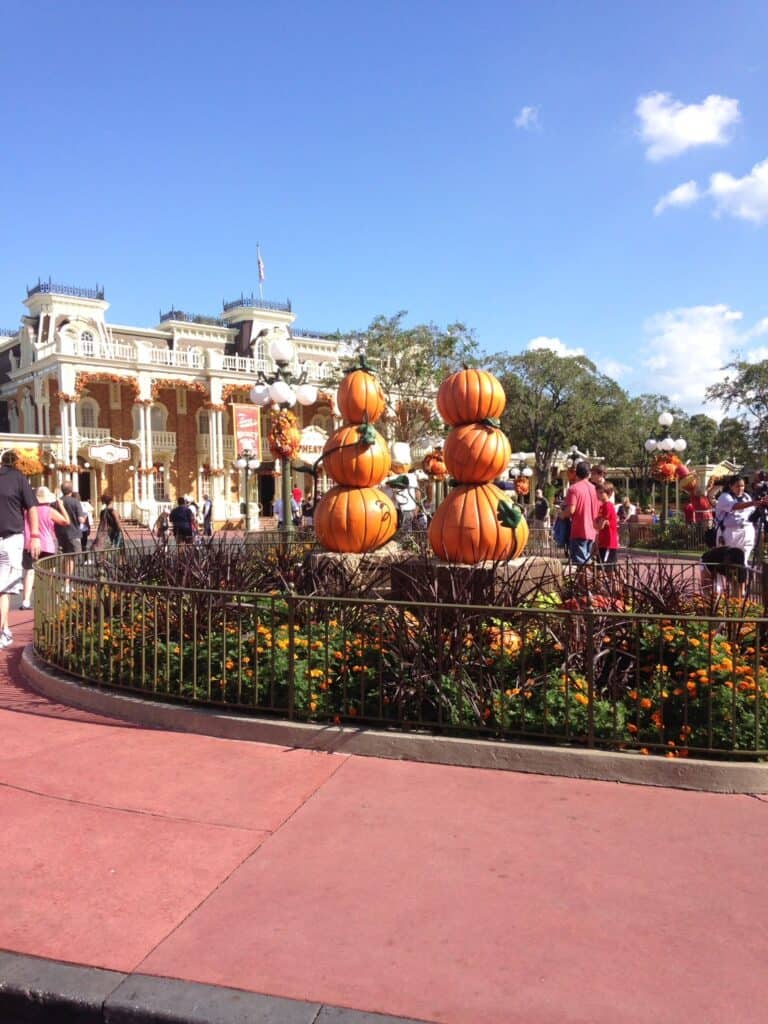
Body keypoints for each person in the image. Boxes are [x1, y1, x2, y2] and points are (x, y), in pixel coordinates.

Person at [0, 449, 40, 648]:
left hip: (10, 539)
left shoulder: (17, 478)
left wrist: (34, 536)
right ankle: (5, 628)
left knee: (3, 588)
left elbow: (32, 507)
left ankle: (3, 631)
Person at [20, 486, 69, 611]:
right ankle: (51, 598)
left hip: (30, 543)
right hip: (47, 544)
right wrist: (61, 506)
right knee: (50, 572)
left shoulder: (27, 510)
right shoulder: (49, 510)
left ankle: (26, 600)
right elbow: (65, 522)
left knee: (29, 572)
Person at [714, 475, 768, 566]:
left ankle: (741, 579)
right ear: (731, 486)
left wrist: (762, 504)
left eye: (742, 486)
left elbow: (751, 514)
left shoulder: (746, 496)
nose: (740, 488)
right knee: (729, 561)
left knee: (743, 561)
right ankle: (728, 579)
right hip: (730, 532)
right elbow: (734, 506)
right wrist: (753, 503)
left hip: (747, 530)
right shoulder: (724, 496)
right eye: (737, 486)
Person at [561, 461, 601, 565]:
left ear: (576, 473)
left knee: (580, 565)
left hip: (580, 531)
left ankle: (583, 581)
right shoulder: (595, 489)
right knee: (589, 562)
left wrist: (561, 515)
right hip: (593, 531)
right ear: (589, 474)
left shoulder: (574, 489)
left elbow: (571, 510)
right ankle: (590, 580)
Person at [54, 481, 84, 561]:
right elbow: (81, 519)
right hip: (73, 533)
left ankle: (63, 573)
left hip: (60, 533)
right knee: (71, 558)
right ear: (71, 490)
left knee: (64, 557)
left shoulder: (56, 503)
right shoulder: (75, 502)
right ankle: (67, 574)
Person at [595, 482, 619, 566]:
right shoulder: (602, 506)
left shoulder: (608, 506)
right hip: (602, 542)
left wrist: (597, 524)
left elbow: (599, 526)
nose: (599, 494)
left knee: (607, 568)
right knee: (599, 566)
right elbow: (597, 524)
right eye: (598, 492)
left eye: (601, 492)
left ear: (608, 493)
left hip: (609, 543)